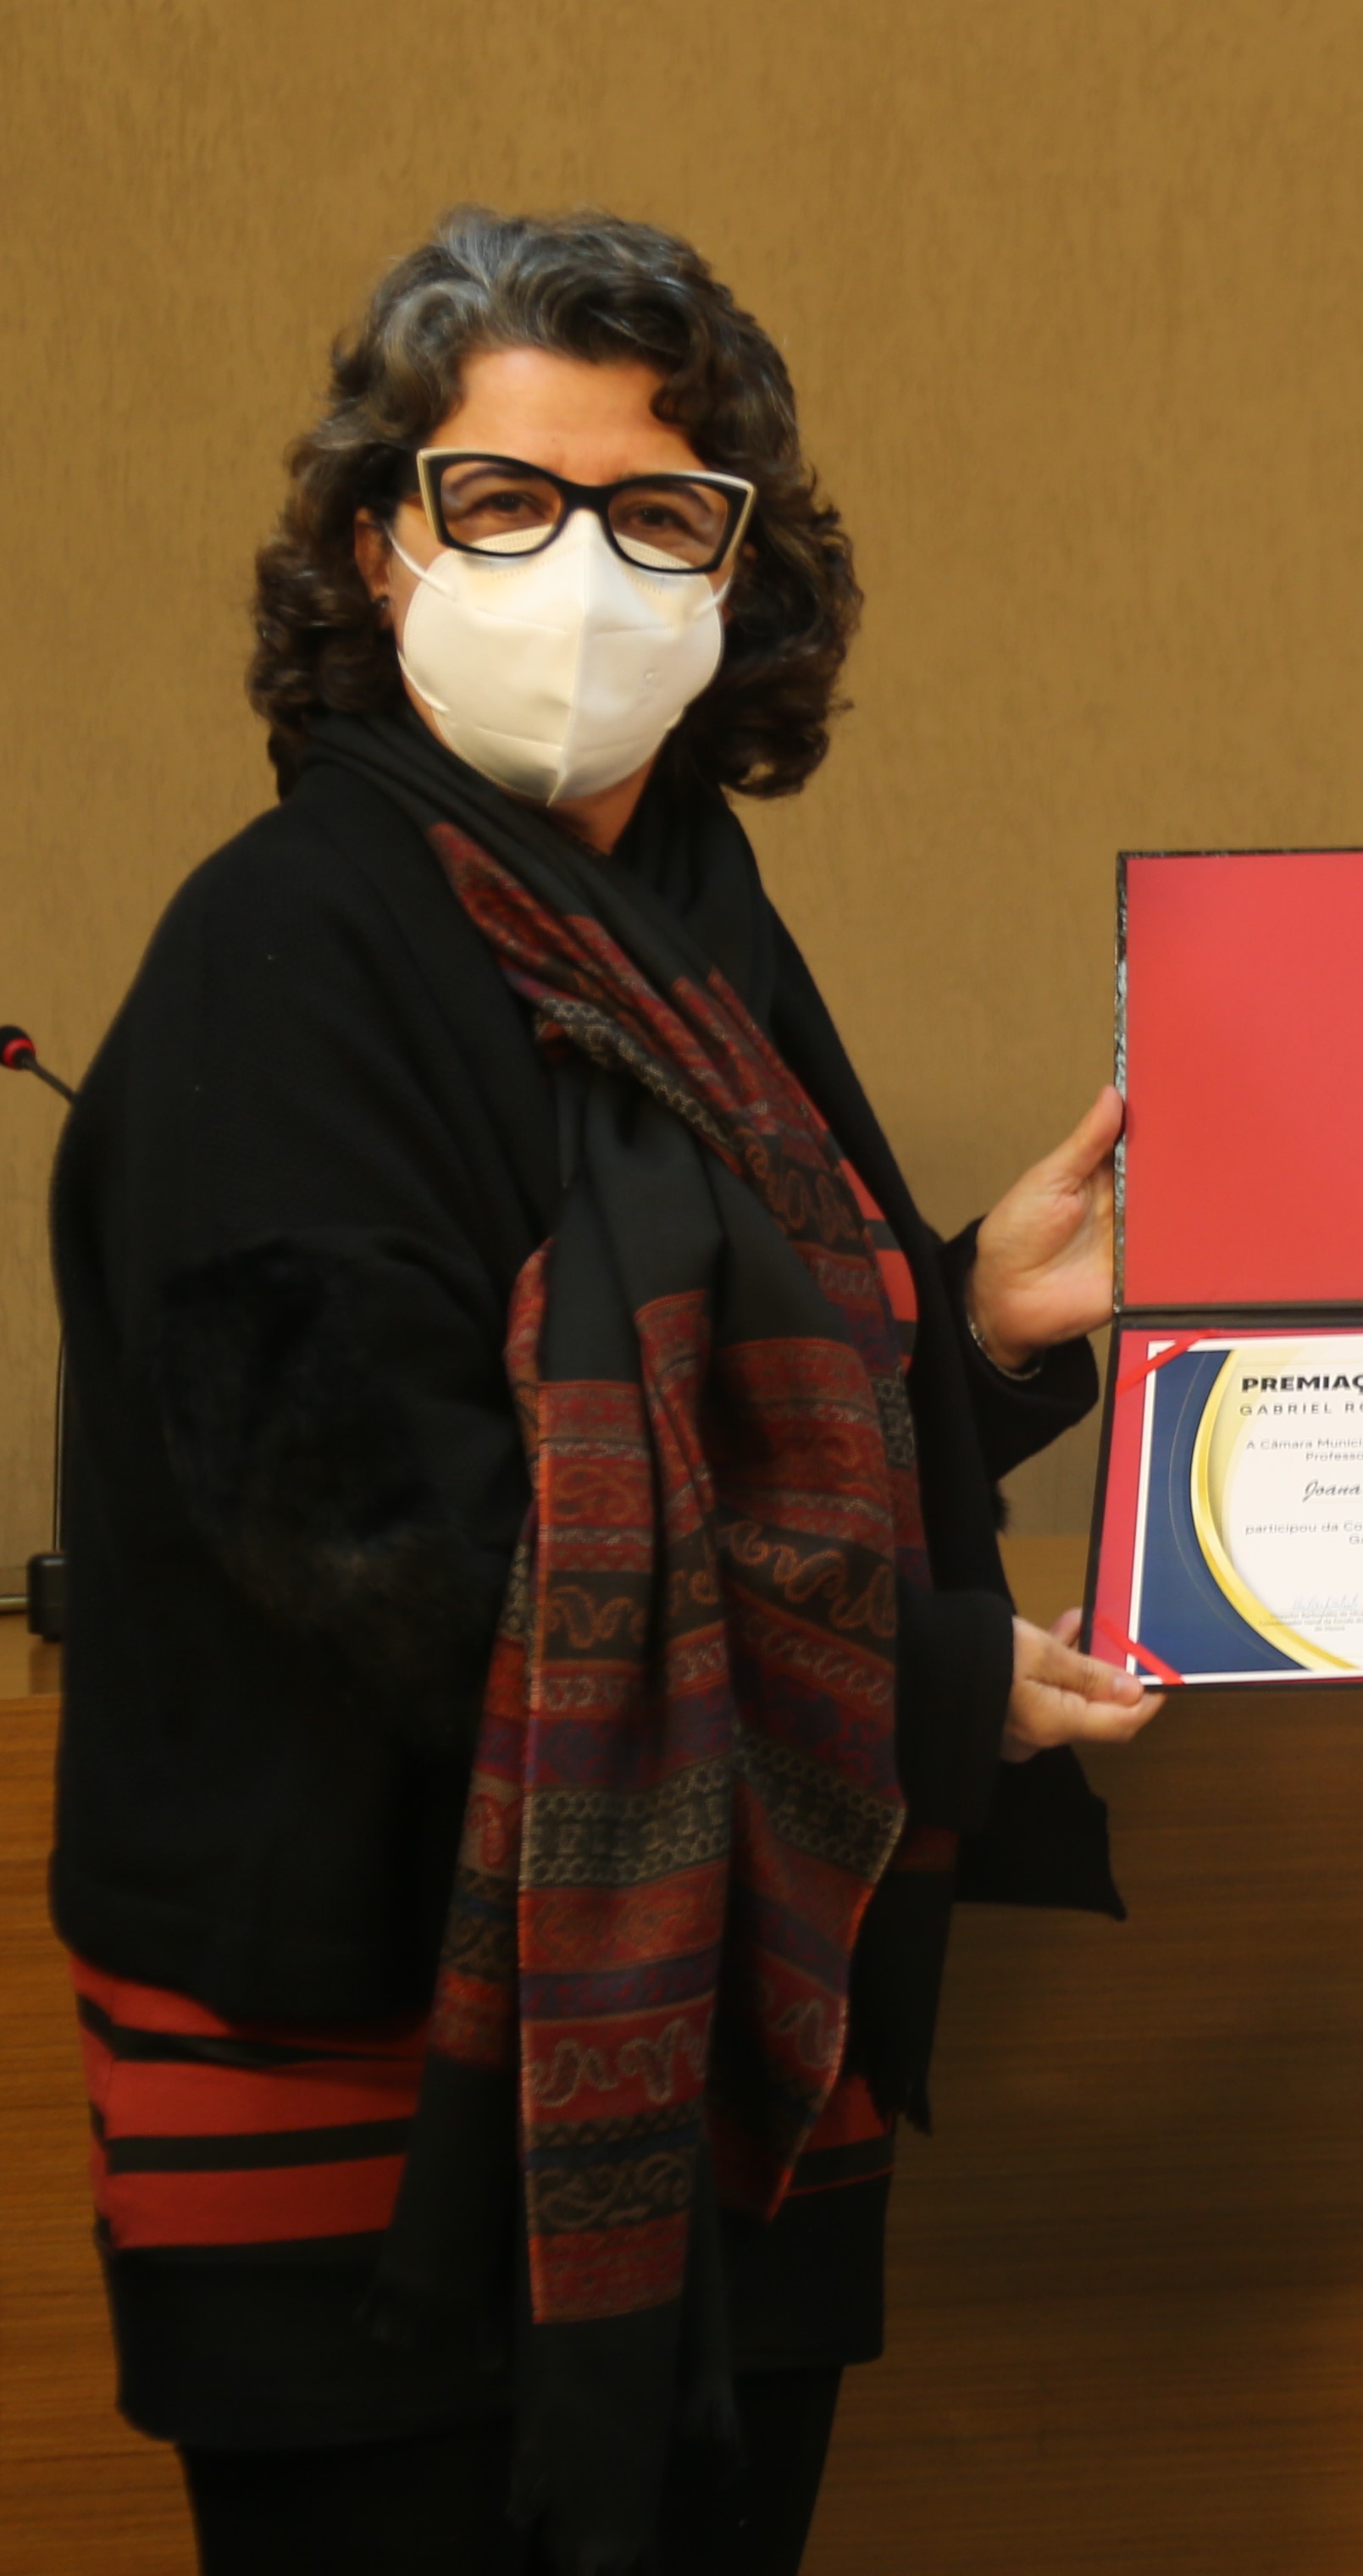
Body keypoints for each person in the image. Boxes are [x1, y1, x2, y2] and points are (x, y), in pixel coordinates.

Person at [48, 209, 1160, 2576]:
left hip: (721, 2074)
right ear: (379, 542)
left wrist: (967, 1327)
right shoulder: (287, 950)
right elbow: (403, 1562)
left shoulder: (685, 917)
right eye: (503, 499)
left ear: (739, 574)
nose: (581, 570)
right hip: (372, 2125)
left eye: (657, 511)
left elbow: (742, 1438)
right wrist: (927, 1684)